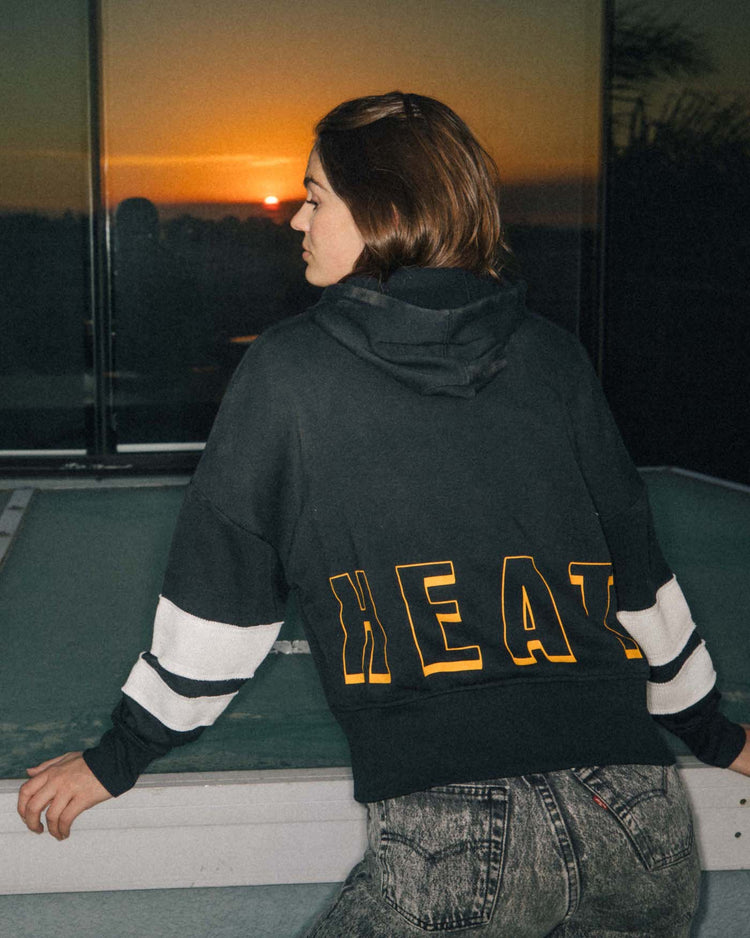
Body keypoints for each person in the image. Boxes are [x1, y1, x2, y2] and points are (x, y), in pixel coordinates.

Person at [18, 92, 750, 937]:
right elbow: (638, 574)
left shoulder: (289, 371)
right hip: (639, 816)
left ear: (386, 213)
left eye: (316, 197)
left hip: (455, 833)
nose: (296, 219)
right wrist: (714, 734)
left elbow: (224, 600)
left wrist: (118, 757)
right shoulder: (554, 357)